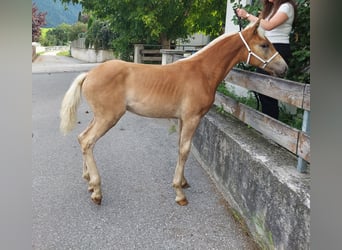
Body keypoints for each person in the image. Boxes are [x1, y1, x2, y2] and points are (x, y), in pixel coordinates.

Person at [236, 0, 297, 119]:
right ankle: (267, 121)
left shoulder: (286, 7)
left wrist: (248, 15)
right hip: (267, 48)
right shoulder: (272, 9)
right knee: (262, 87)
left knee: (267, 88)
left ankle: (270, 123)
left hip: (278, 48)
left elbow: (269, 26)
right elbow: (261, 26)